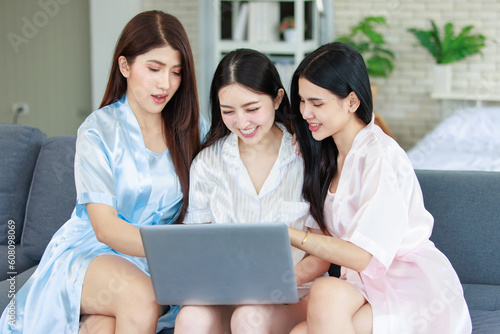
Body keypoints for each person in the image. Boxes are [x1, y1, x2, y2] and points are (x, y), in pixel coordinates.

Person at [0, 10, 207, 333]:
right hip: (94, 251)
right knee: (141, 297)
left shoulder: (194, 131)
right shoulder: (98, 130)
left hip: (155, 261)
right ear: (125, 66)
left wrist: (289, 140)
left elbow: (239, 153)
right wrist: (177, 252)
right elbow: (106, 229)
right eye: (153, 68)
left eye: (176, 72)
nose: (165, 84)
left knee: (104, 325)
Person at [286, 41, 472, 333]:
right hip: (363, 284)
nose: (306, 112)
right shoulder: (327, 154)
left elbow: (364, 255)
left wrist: (291, 236)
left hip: (409, 287)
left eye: (317, 103)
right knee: (317, 304)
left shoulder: (380, 156)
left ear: (351, 102)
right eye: (302, 101)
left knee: (313, 313)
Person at [173, 48, 329, 334]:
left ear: (278, 98)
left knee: (248, 318)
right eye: (228, 111)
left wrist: (272, 284)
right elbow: (197, 247)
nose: (242, 123)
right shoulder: (208, 163)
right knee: (189, 319)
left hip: (294, 294)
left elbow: (322, 253)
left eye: (252, 109)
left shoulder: (306, 157)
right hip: (226, 294)